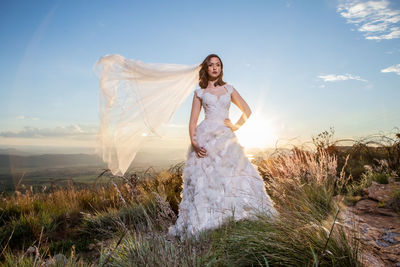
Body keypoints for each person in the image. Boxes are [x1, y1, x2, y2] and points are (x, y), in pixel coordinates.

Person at [167, 54, 277, 240]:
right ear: (206, 69)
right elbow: (192, 122)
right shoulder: (199, 93)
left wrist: (235, 126)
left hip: (226, 139)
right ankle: (206, 225)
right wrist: (194, 142)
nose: (215, 68)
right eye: (211, 65)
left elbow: (247, 110)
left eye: (218, 65)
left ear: (221, 68)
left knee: (235, 177)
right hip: (206, 138)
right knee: (206, 181)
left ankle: (237, 218)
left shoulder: (229, 89)